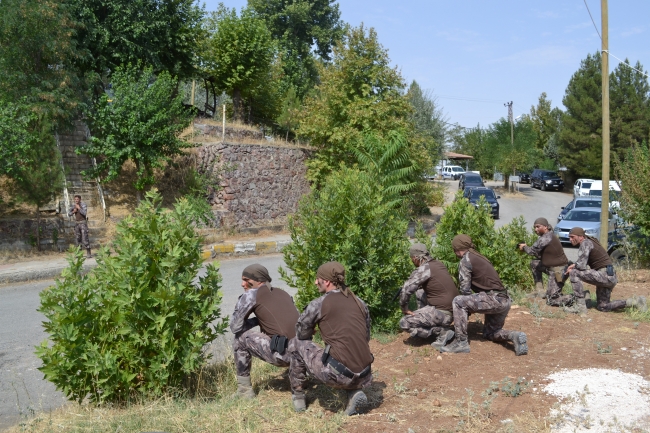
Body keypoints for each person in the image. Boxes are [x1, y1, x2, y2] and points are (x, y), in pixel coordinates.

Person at [288, 262, 373, 416]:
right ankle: (354, 391)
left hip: (337, 375)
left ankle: (298, 395)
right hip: (365, 374)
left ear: (326, 281)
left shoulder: (319, 304)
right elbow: (366, 336)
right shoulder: (359, 302)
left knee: (296, 343)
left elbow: (301, 334)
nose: (315, 282)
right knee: (344, 354)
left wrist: (311, 331)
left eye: (317, 279)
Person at [439, 234, 528, 356]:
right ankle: (514, 335)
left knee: (458, 301)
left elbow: (465, 291)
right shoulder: (478, 256)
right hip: (504, 300)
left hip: (493, 299)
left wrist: (460, 314)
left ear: (457, 249)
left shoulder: (465, 260)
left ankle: (461, 342)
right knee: (490, 333)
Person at [230, 264, 299, 399]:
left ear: (259, 281)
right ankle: (299, 375)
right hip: (303, 354)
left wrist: (256, 320)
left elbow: (235, 327)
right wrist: (260, 319)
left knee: (240, 338)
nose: (242, 284)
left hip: (283, 355)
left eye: (247, 280)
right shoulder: (282, 293)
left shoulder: (251, 295)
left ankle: (244, 391)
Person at [564, 227, 647, 314]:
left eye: (572, 237)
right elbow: (582, 263)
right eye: (569, 237)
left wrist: (572, 267)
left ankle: (580, 307)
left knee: (574, 273)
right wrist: (575, 265)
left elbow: (581, 265)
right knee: (603, 306)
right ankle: (635, 302)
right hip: (610, 276)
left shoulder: (585, 243)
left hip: (604, 275)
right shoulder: (590, 241)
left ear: (580, 237)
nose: (570, 239)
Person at [398, 243, 457, 349]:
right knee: (420, 292)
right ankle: (430, 323)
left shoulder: (424, 269)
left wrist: (404, 308)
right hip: (453, 310)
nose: (412, 261)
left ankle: (441, 332)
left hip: (443, 313)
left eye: (412, 258)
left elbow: (406, 290)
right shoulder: (438, 264)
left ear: (416, 258)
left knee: (405, 322)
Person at [518, 217, 569, 306]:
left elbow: (531, 251)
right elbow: (539, 254)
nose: (535, 229)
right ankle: (539, 290)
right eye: (534, 227)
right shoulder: (548, 235)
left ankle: (578, 297)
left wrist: (524, 247)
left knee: (551, 300)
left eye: (538, 227)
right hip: (551, 268)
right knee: (534, 263)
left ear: (545, 227)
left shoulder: (546, 237)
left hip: (558, 271)